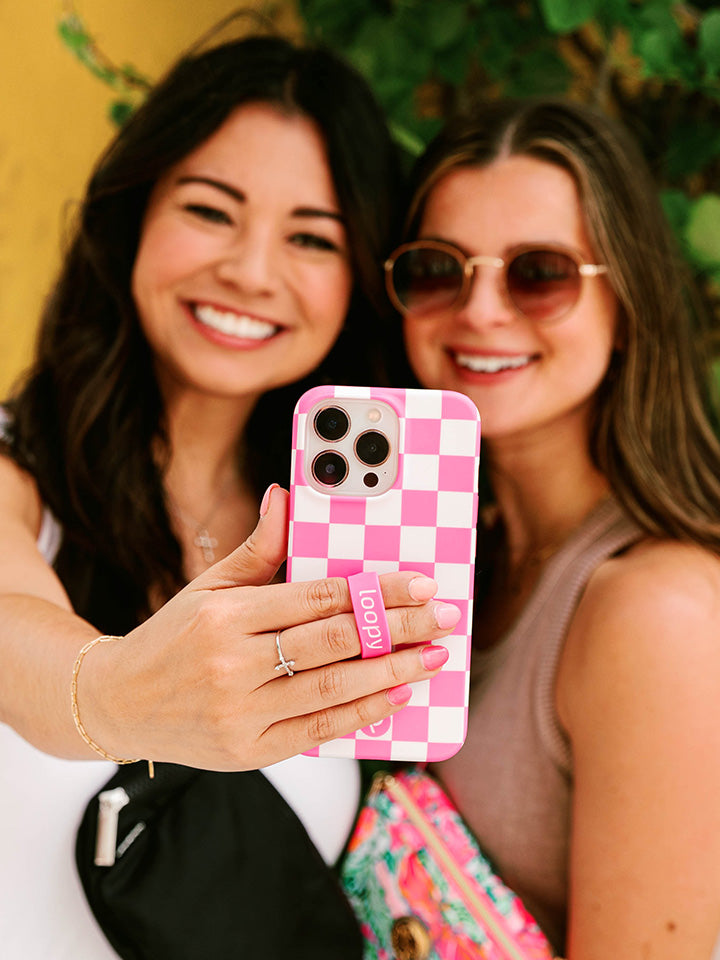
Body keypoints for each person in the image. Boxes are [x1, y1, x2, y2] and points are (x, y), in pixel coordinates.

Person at [0, 32, 460, 959]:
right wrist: (129, 693)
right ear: (133, 214)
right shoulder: (18, 473)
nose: (252, 270)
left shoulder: (362, 538)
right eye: (212, 211)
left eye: (310, 237)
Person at [384, 98, 720, 959]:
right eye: (436, 269)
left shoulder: (655, 614)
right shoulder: (463, 550)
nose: (481, 311)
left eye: (540, 272)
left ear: (628, 298)